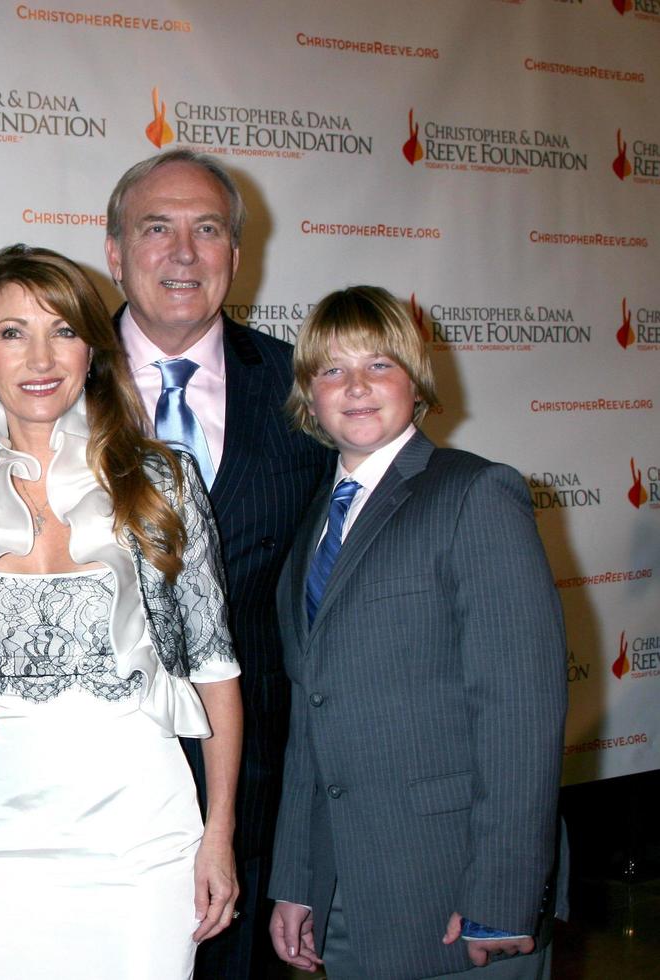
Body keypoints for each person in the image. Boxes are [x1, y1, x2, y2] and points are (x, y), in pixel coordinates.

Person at [0, 149, 332, 978]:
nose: (184, 252)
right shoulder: (44, 376)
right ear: (115, 251)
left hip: (251, 778)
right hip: (42, 805)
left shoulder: (305, 393)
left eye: (208, 230)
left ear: (238, 254)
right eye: (156, 228)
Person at [0, 245, 243, 979]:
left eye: (62, 329)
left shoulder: (162, 479)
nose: (39, 356)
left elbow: (216, 667)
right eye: (12, 332)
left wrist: (219, 831)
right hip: (0, 830)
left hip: (145, 826)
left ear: (92, 350)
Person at [268, 286, 566, 979]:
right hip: (347, 896)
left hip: (458, 895)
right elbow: (311, 718)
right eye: (332, 370)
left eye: (380, 365)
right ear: (310, 395)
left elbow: (520, 712)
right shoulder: (314, 520)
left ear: (416, 381)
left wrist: (503, 892)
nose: (356, 387)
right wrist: (296, 878)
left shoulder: (474, 494)